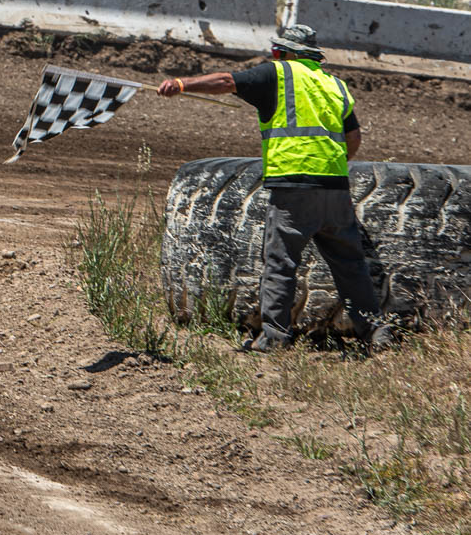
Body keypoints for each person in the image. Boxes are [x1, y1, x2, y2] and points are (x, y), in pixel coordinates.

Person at [157, 24, 394, 352]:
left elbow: (227, 81)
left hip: (294, 188)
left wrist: (183, 84)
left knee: (281, 264)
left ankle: (275, 337)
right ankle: (375, 332)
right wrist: (331, 166)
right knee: (351, 265)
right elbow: (353, 138)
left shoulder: (279, 73)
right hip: (336, 188)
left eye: (276, 52)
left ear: (285, 52)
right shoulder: (335, 84)